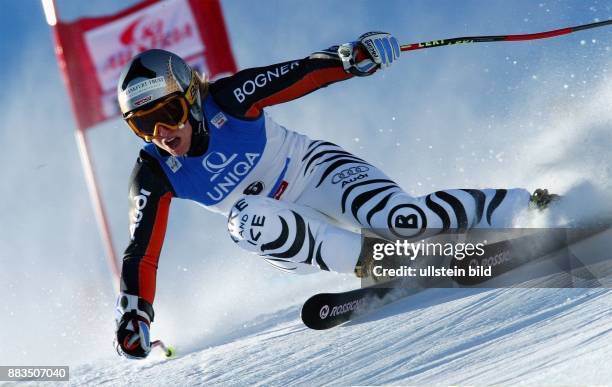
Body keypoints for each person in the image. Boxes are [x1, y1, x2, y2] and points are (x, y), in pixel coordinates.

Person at [113, 32, 557, 359]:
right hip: (285, 230)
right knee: (246, 219)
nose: (161, 133)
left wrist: (352, 57)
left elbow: (301, 74)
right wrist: (135, 314)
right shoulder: (154, 170)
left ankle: (531, 206)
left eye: (167, 113)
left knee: (405, 219)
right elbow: (141, 253)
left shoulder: (227, 99)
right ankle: (382, 262)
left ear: (190, 97)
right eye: (142, 125)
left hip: (318, 170)